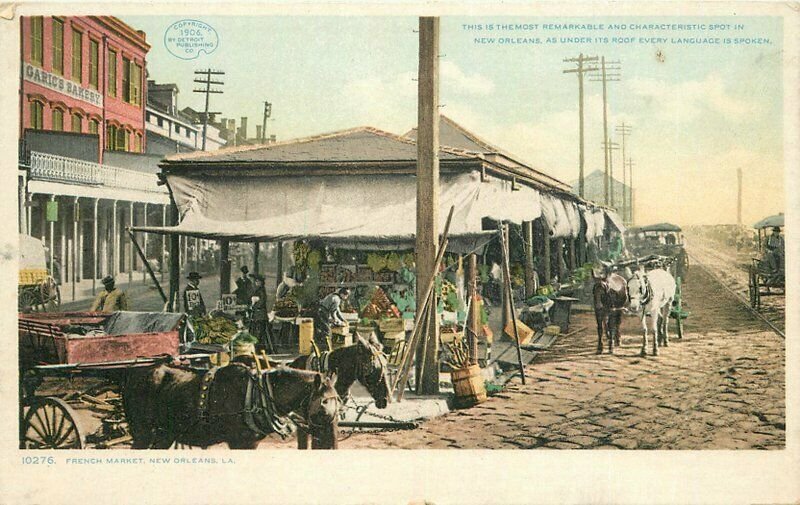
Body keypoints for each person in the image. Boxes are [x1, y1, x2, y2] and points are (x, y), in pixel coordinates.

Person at [249, 274, 275, 353]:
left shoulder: (261, 291)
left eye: (257, 281)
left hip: (260, 315)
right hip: (257, 315)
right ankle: (259, 348)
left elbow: (261, 302)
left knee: (260, 332)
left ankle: (261, 348)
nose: (256, 283)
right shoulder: (257, 290)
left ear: (261, 282)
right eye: (255, 281)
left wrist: (253, 306)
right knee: (258, 332)